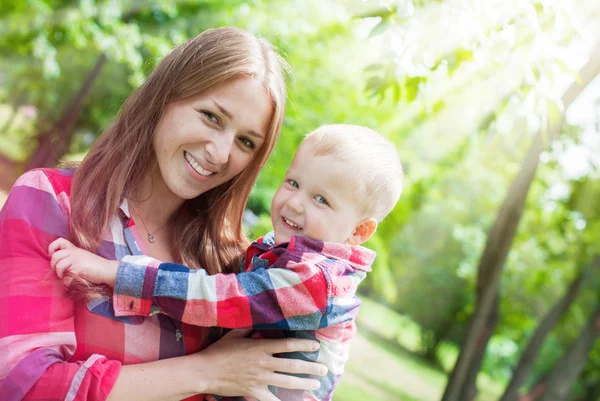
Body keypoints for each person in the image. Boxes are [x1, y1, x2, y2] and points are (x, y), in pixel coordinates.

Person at [0, 27, 329, 401]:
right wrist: (207, 372)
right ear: (164, 96)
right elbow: (24, 384)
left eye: (245, 142)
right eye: (211, 116)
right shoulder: (52, 202)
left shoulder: (233, 269)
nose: (220, 154)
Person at [48, 124, 404, 401]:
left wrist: (116, 272)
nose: (295, 203)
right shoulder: (281, 252)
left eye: (321, 200)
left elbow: (220, 298)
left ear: (359, 231)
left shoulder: (315, 281)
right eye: (294, 183)